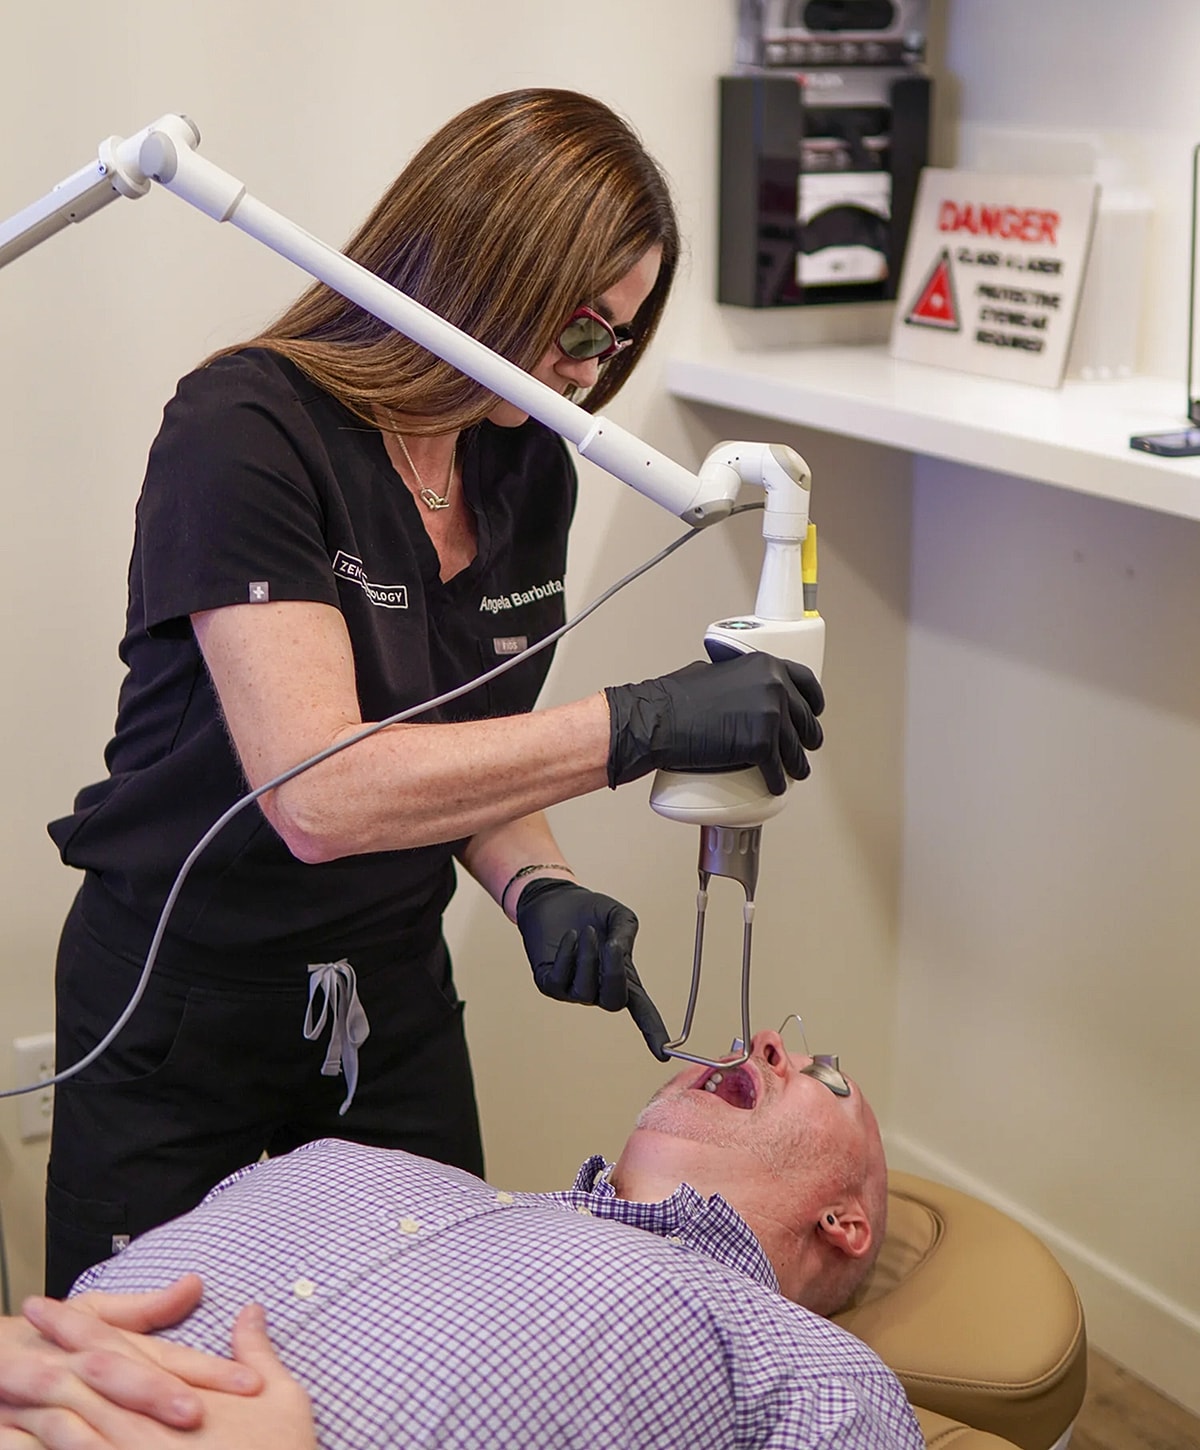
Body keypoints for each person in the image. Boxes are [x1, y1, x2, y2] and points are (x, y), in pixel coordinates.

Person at [42, 87, 826, 1298]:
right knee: (142, 1363)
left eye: (618, 339)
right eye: (580, 323)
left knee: (436, 1322)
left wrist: (534, 883)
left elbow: (470, 746)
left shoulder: (527, 466)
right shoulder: (245, 429)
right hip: (183, 1000)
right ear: (481, 260)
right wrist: (639, 724)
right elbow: (321, 795)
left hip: (389, 992)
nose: (590, 369)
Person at [1, 1030, 920, 1450]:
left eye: (827, 1074)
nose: (764, 1042)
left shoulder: (806, 1368)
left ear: (845, 1223)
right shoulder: (363, 1162)